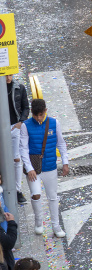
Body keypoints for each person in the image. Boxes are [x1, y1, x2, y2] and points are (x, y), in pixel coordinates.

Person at [19, 99, 68, 238]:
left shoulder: (54, 123)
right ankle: (38, 222)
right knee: (36, 194)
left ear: (45, 111)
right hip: (34, 167)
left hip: (50, 166)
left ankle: (56, 226)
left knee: (53, 197)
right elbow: (23, 148)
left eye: (40, 115)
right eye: (35, 115)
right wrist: (29, 168)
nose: (38, 118)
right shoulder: (26, 126)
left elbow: (61, 143)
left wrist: (65, 162)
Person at [6, 75, 29, 205]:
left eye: (10, 74)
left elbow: (26, 107)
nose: (8, 77)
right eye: (6, 75)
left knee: (16, 158)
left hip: (15, 126)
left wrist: (21, 122)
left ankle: (17, 190)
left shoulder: (19, 87)